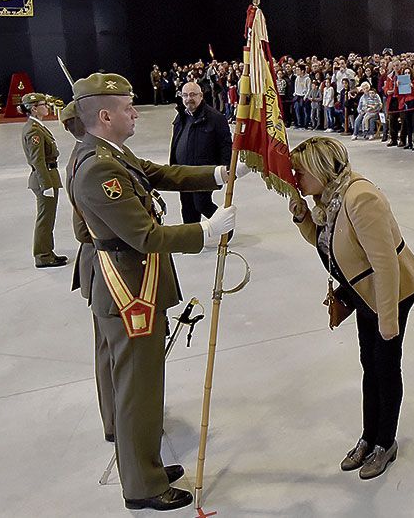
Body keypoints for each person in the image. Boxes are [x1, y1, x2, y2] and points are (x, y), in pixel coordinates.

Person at [68, 73, 242, 511]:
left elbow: (159, 173)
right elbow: (144, 236)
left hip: (114, 277)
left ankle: (134, 459)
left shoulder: (103, 152)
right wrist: (204, 231)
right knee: (138, 388)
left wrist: (216, 174)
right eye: (128, 107)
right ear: (104, 116)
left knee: (120, 380)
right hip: (128, 283)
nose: (135, 112)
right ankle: (143, 484)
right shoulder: (99, 168)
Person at [287, 137, 414, 479]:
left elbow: (386, 264)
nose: (295, 178)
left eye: (300, 171)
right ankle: (368, 436)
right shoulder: (329, 200)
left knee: (385, 365)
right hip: (363, 293)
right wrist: (304, 217)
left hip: (389, 293)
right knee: (369, 364)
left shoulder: (361, 198)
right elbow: (328, 243)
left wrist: (388, 320)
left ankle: (385, 442)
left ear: (321, 169)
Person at [59, 102, 115, 444]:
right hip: (106, 268)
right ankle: (117, 422)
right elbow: (84, 231)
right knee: (113, 356)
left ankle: (115, 420)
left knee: (108, 353)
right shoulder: (92, 165)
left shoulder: (86, 155)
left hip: (98, 267)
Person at [170, 81, 232, 224]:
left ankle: (225, 227)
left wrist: (226, 168)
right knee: (187, 205)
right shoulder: (181, 116)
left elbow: (226, 145)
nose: (188, 99)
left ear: (201, 96)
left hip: (204, 172)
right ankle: (192, 237)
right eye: (184, 95)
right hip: (183, 172)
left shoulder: (216, 118)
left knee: (201, 204)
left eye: (192, 95)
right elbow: (175, 141)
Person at [20, 93, 68, 268]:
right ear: (34, 108)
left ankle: (48, 251)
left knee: (48, 218)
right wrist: (46, 184)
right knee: (45, 219)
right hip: (44, 177)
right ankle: (42, 255)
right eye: (43, 104)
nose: (47, 107)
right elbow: (37, 160)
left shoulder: (37, 126)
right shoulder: (34, 130)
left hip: (49, 175)